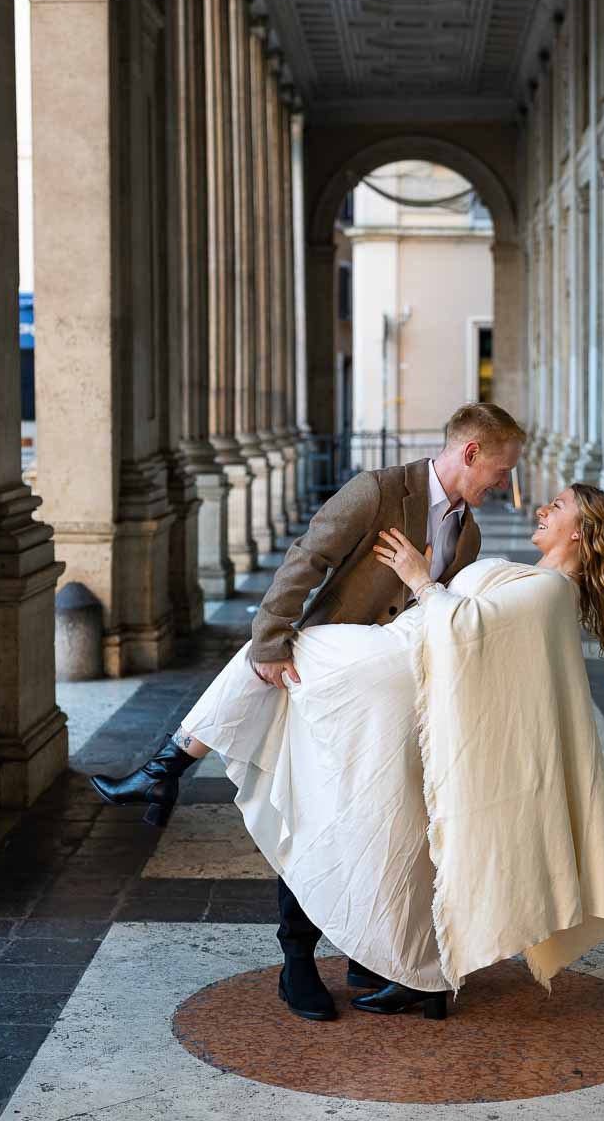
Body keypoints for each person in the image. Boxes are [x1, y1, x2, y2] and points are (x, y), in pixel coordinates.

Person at [90, 402, 525, 1020]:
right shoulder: (377, 491)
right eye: (501, 471)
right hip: (326, 680)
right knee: (313, 814)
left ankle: (165, 768)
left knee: (371, 825)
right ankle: (297, 961)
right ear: (471, 452)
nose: (504, 484)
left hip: (391, 700)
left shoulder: (470, 533)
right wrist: (271, 641)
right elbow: (307, 557)